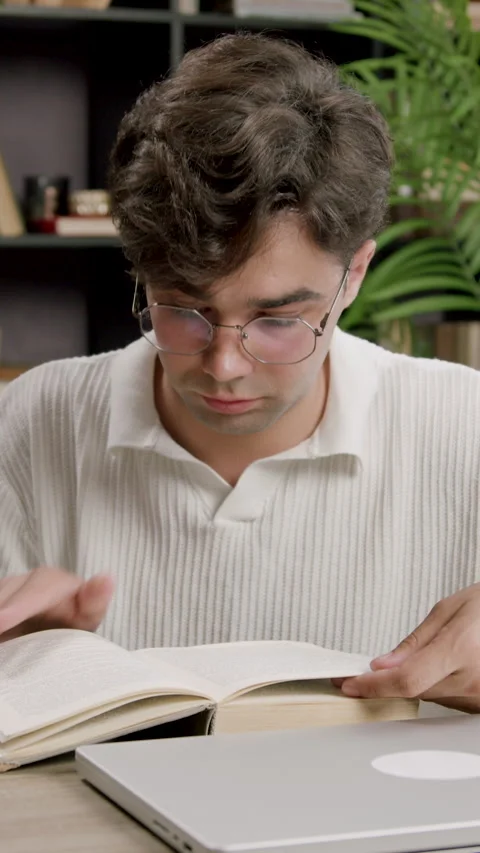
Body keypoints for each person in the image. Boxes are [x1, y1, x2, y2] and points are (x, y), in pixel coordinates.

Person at [1, 32, 480, 713]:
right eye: (183, 311)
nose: (224, 366)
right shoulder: (34, 419)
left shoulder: (465, 426)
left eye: (280, 321)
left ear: (355, 275)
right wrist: (23, 675)